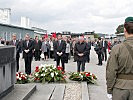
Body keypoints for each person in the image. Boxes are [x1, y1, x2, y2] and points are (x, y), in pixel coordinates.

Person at [106, 17, 133, 100]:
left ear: (125, 29)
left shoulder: (117, 48)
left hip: (120, 88)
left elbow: (111, 71)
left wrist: (109, 90)